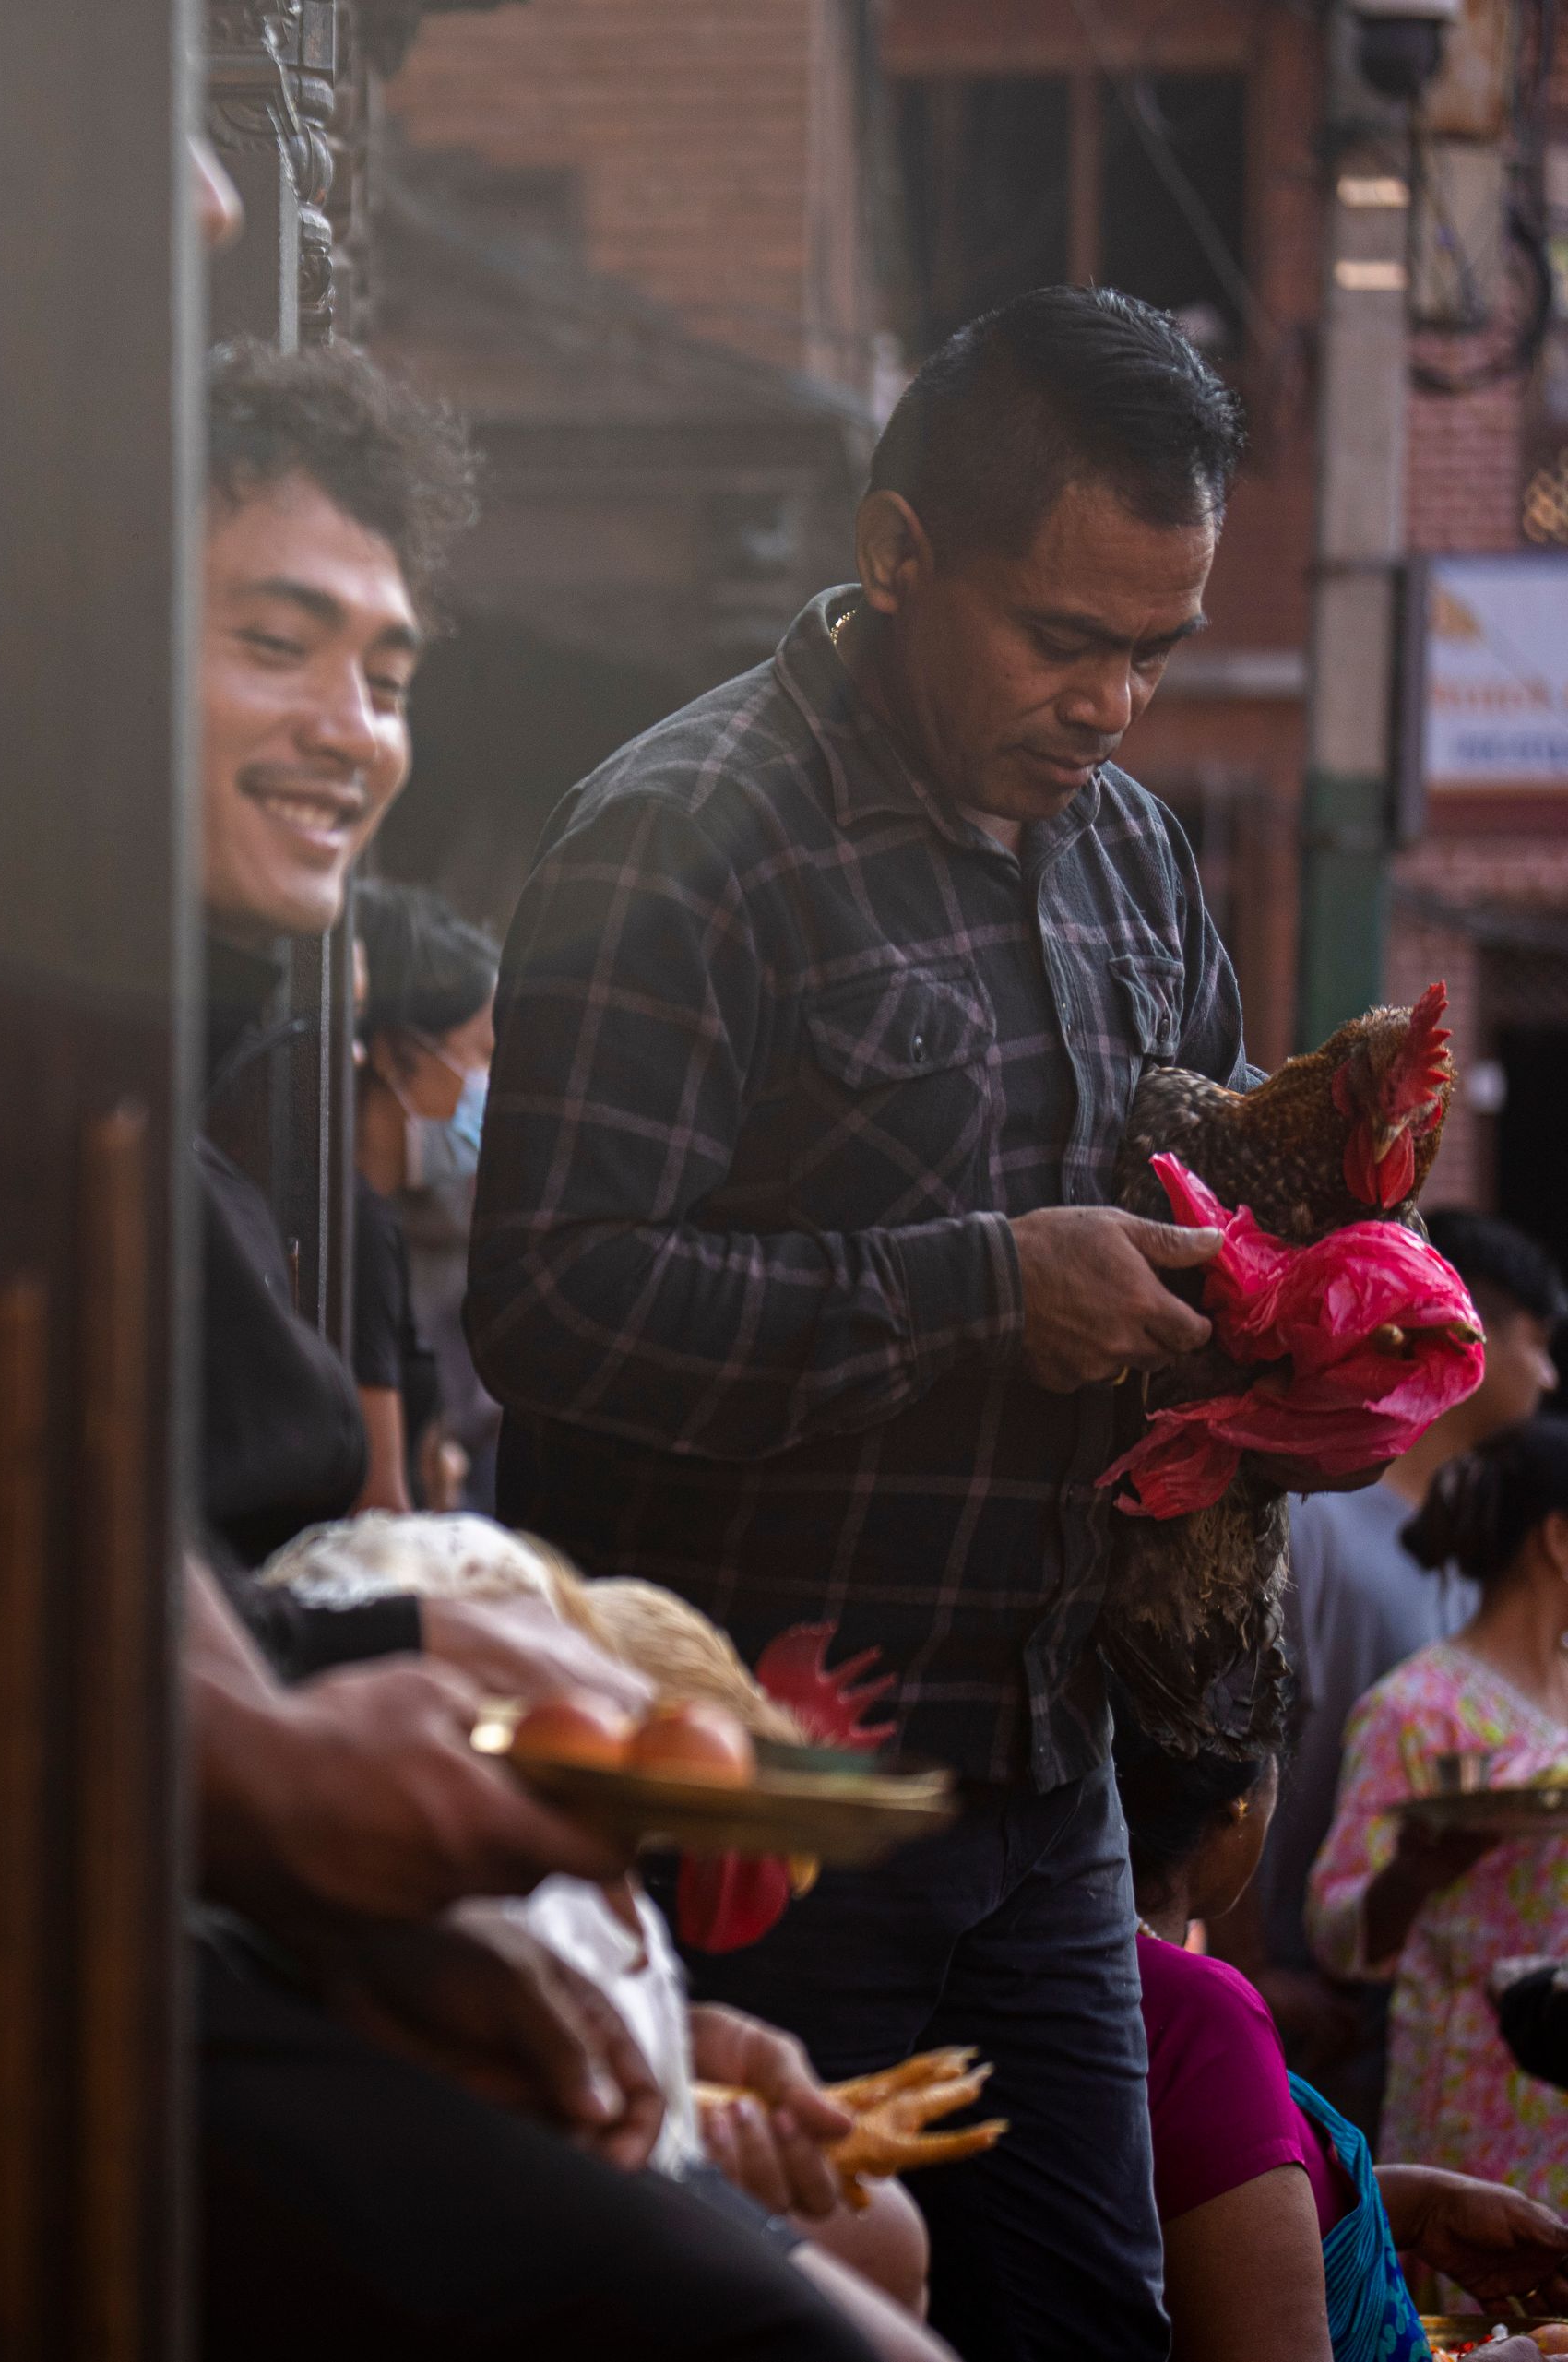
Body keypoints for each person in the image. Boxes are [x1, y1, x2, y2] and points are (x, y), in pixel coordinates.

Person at [469, 284, 1273, 2362]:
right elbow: (551, 1301)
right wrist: (979, 1285)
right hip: (770, 1810)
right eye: (1063, 636)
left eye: (1155, 654)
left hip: (1050, 1781)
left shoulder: (1137, 864)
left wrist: (1293, 1339)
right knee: (772, 2323)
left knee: (1088, 2319)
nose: (1112, 703)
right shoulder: (688, 833)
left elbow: (1215, 1221)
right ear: (902, 551)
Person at [182, 337, 911, 2362]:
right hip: (93, 1984)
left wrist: (615, 1993)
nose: (352, 729)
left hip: (272, 1927)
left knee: (877, 2251)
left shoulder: (173, 1100)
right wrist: (334, 1740)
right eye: (276, 640)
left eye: (392, 674)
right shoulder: (14, 1066)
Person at [1229, 1214, 1565, 2117]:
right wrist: (1248, 1970)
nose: (1551, 1374)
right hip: (1300, 1998)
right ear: (1471, 1332)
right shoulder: (1317, 1521)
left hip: (1385, 2018)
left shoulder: (1468, 1568)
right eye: (1540, 1341)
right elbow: (1238, 1737)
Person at [1117, 1709, 1568, 2362]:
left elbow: (1192, 2209)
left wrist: (1411, 2206)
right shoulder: (1197, 2012)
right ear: (1239, 1800)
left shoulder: (1075, 1974)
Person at [1310, 1419, 1568, 2209]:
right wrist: (1417, 1872)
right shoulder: (1416, 1710)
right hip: (1475, 2101)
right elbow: (1336, 1935)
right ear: (1558, 1539)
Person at [350, 877, 496, 1513]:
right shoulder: (357, 1230)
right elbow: (381, 1507)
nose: (493, 1086)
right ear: (394, 1053)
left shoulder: (376, 1219)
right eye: (483, 1055)